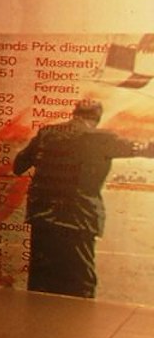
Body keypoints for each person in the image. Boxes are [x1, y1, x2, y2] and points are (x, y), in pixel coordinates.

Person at [14, 98, 150, 298]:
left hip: (42, 219)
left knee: (41, 281)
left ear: (74, 113)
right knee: (80, 283)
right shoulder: (102, 138)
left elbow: (18, 166)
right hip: (78, 220)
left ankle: (38, 325)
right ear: (97, 118)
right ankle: (78, 327)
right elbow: (145, 148)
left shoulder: (46, 134)